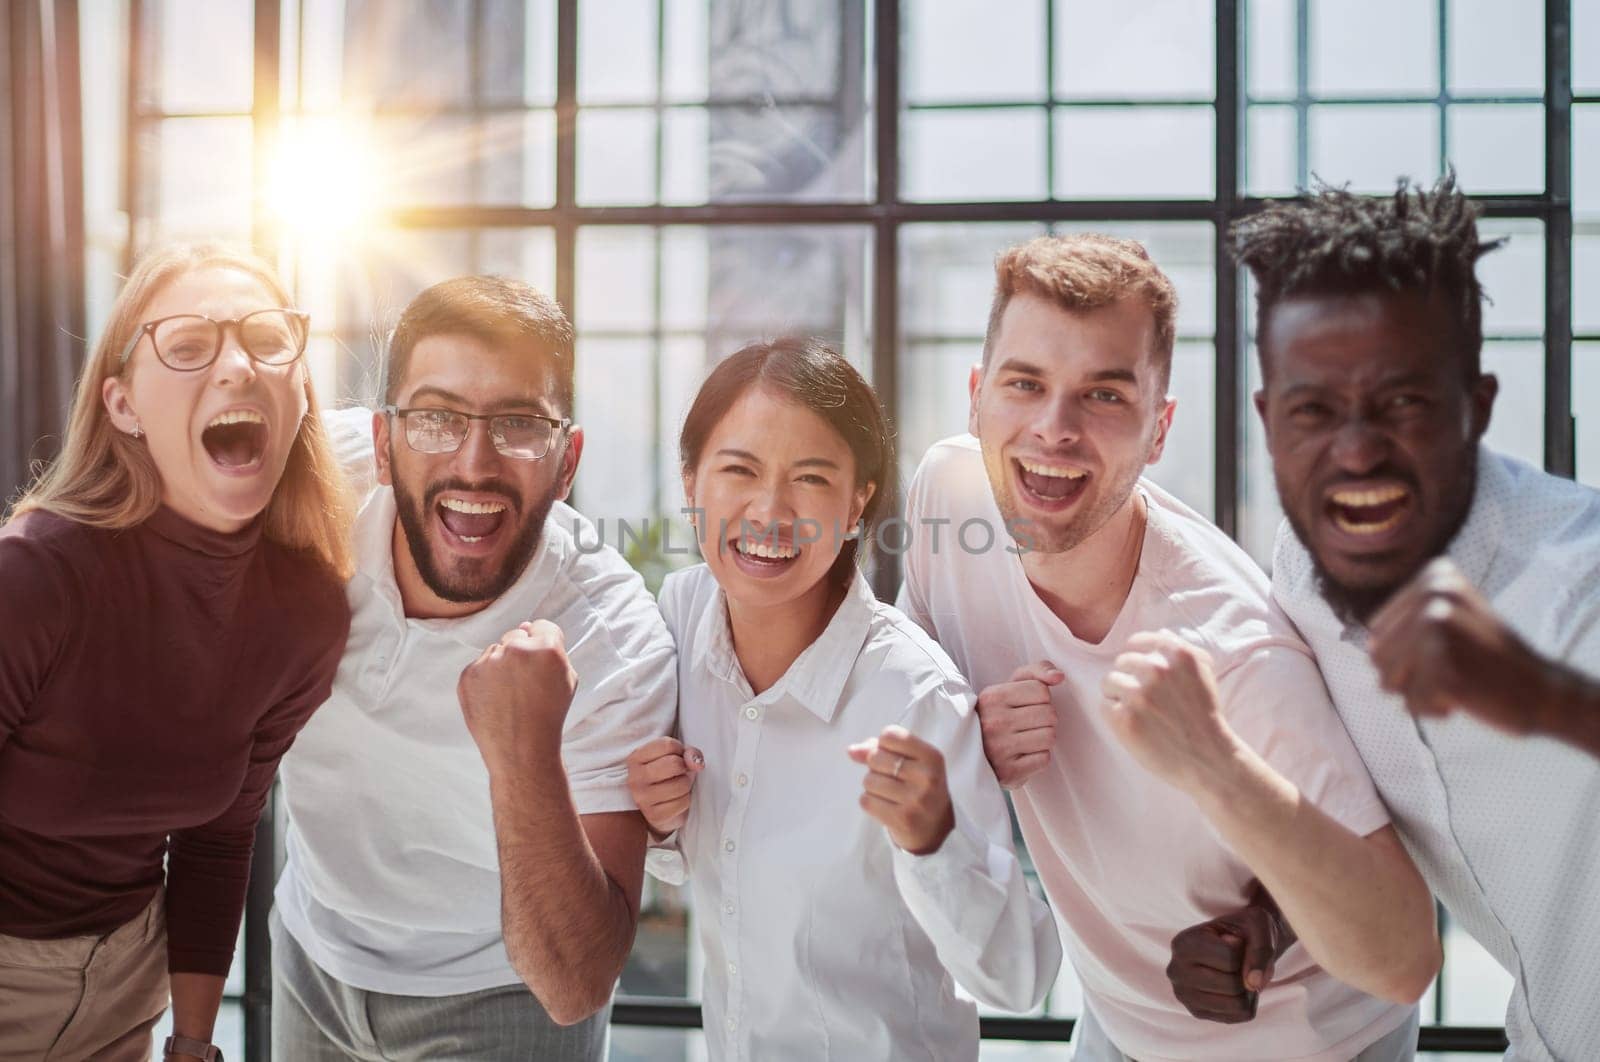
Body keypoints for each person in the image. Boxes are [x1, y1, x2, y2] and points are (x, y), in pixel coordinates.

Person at [898, 234, 1440, 1062]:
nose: (1054, 429)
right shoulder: (949, 498)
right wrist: (964, 732)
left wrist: (1215, 767)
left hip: (1311, 1044)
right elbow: (905, 692)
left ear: (1159, 430)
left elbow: (1403, 958)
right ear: (977, 397)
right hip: (1118, 1020)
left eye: (1104, 396)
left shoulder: (1232, 646)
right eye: (1024, 384)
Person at [1170, 175, 1600, 1059]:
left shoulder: (1579, 571)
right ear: (1268, 420)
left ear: (1475, 407)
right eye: (1313, 412)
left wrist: (1545, 697)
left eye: (1402, 403)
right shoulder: (1298, 576)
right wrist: (1270, 922)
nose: (1357, 449)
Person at [270, 276, 677, 1060]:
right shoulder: (321, 480)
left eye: (520, 424)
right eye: (437, 418)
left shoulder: (612, 640)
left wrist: (523, 756)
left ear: (567, 464)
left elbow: (575, 984)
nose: (474, 461)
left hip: (503, 995)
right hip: (312, 950)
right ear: (384, 443)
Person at [625, 338, 1061, 1061]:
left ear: (858, 502)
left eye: (811, 478)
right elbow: (710, 859)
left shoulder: (915, 695)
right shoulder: (682, 613)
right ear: (691, 480)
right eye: (739, 469)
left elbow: (1018, 980)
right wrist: (659, 822)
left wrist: (935, 841)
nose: (769, 511)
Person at [0, 244, 353, 1062]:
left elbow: (221, 839)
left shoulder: (306, 612)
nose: (236, 366)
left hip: (129, 983)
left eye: (268, 340)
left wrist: (192, 1042)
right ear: (123, 407)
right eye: (189, 347)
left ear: (299, 391)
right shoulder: (35, 577)